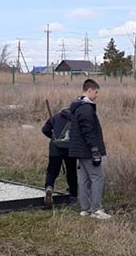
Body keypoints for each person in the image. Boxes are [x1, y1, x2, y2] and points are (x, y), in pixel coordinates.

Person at [68, 78, 110, 219]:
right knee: (97, 177)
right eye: (96, 92)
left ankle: (85, 209)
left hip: (79, 150)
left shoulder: (77, 107)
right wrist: (95, 149)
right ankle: (96, 209)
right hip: (87, 150)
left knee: (84, 179)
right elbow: (88, 131)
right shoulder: (86, 109)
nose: (97, 95)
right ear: (89, 90)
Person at [41, 107, 77, 205]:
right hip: (70, 149)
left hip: (55, 149)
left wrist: (53, 138)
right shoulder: (75, 118)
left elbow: (45, 129)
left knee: (52, 171)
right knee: (71, 172)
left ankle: (49, 187)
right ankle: (73, 195)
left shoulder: (55, 117)